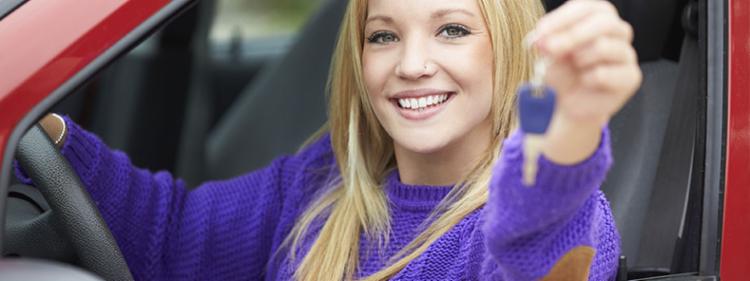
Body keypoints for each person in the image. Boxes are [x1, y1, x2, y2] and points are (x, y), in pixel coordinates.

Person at [18, 0, 641, 279]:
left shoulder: (546, 225)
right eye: (383, 35)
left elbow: (540, 242)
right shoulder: (322, 186)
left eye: (452, 30)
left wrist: (568, 130)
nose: (412, 63)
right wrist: (32, 120)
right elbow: (169, 234)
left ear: (509, 49)